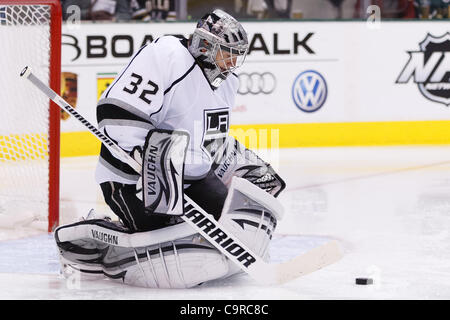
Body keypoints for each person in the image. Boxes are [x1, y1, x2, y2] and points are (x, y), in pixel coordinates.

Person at [55, 9, 286, 289]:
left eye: (237, 55)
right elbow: (115, 109)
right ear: (205, 46)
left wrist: (241, 167)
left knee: (229, 226)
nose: (233, 62)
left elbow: (212, 142)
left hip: (191, 177)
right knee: (160, 233)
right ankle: (94, 231)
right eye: (227, 52)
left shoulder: (227, 83)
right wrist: (145, 157)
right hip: (133, 178)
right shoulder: (166, 55)